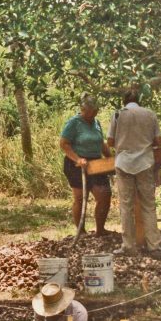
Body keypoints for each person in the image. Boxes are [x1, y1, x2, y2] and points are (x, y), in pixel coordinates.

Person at [107, 89, 161, 259]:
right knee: (149, 205)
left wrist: (123, 142)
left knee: (126, 206)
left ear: (124, 101)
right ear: (138, 100)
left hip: (124, 164)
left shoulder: (117, 115)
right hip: (145, 163)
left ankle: (129, 246)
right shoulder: (149, 114)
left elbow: (110, 141)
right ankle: (154, 247)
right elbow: (159, 141)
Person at [60, 93, 112, 236]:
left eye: (95, 112)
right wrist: (77, 159)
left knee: (104, 195)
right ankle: (81, 231)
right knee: (80, 197)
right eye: (90, 112)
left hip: (96, 163)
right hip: (77, 164)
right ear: (83, 109)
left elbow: (101, 143)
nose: (93, 114)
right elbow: (64, 144)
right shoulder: (74, 123)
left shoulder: (96, 123)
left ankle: (100, 230)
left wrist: (110, 158)